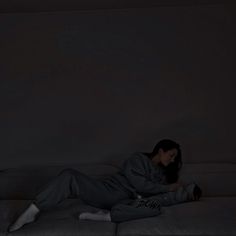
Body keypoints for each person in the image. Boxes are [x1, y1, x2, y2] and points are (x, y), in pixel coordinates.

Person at [8, 139, 202, 232]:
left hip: (129, 203)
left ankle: (105, 217)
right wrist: (167, 188)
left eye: (175, 157)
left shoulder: (162, 176)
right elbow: (139, 183)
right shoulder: (137, 159)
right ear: (161, 150)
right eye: (172, 155)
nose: (173, 159)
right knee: (69, 175)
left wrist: (188, 191)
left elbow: (159, 196)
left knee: (155, 207)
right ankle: (33, 210)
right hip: (109, 192)